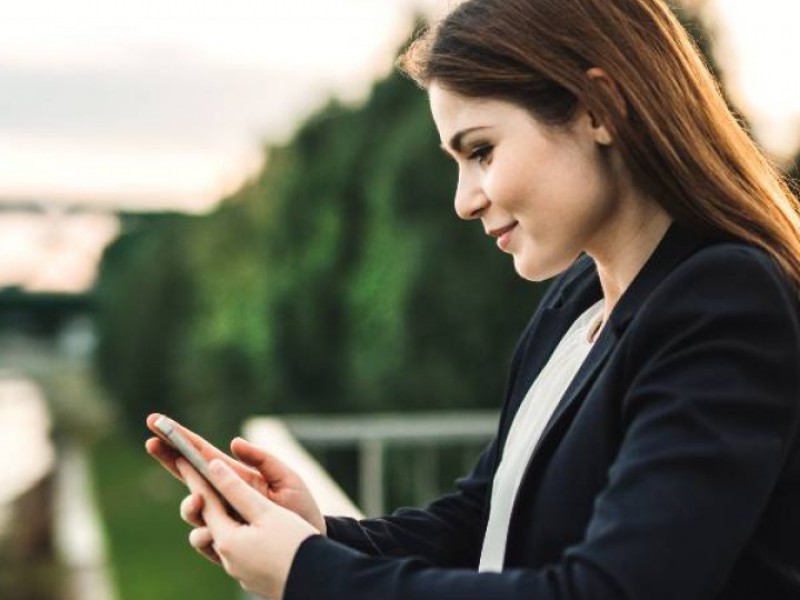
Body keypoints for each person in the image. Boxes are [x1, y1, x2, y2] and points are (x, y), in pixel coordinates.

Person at [146, 0, 800, 598]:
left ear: (599, 109)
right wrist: (316, 534)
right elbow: (487, 517)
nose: (464, 200)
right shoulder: (578, 299)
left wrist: (308, 573)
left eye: (481, 151)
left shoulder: (726, 302)